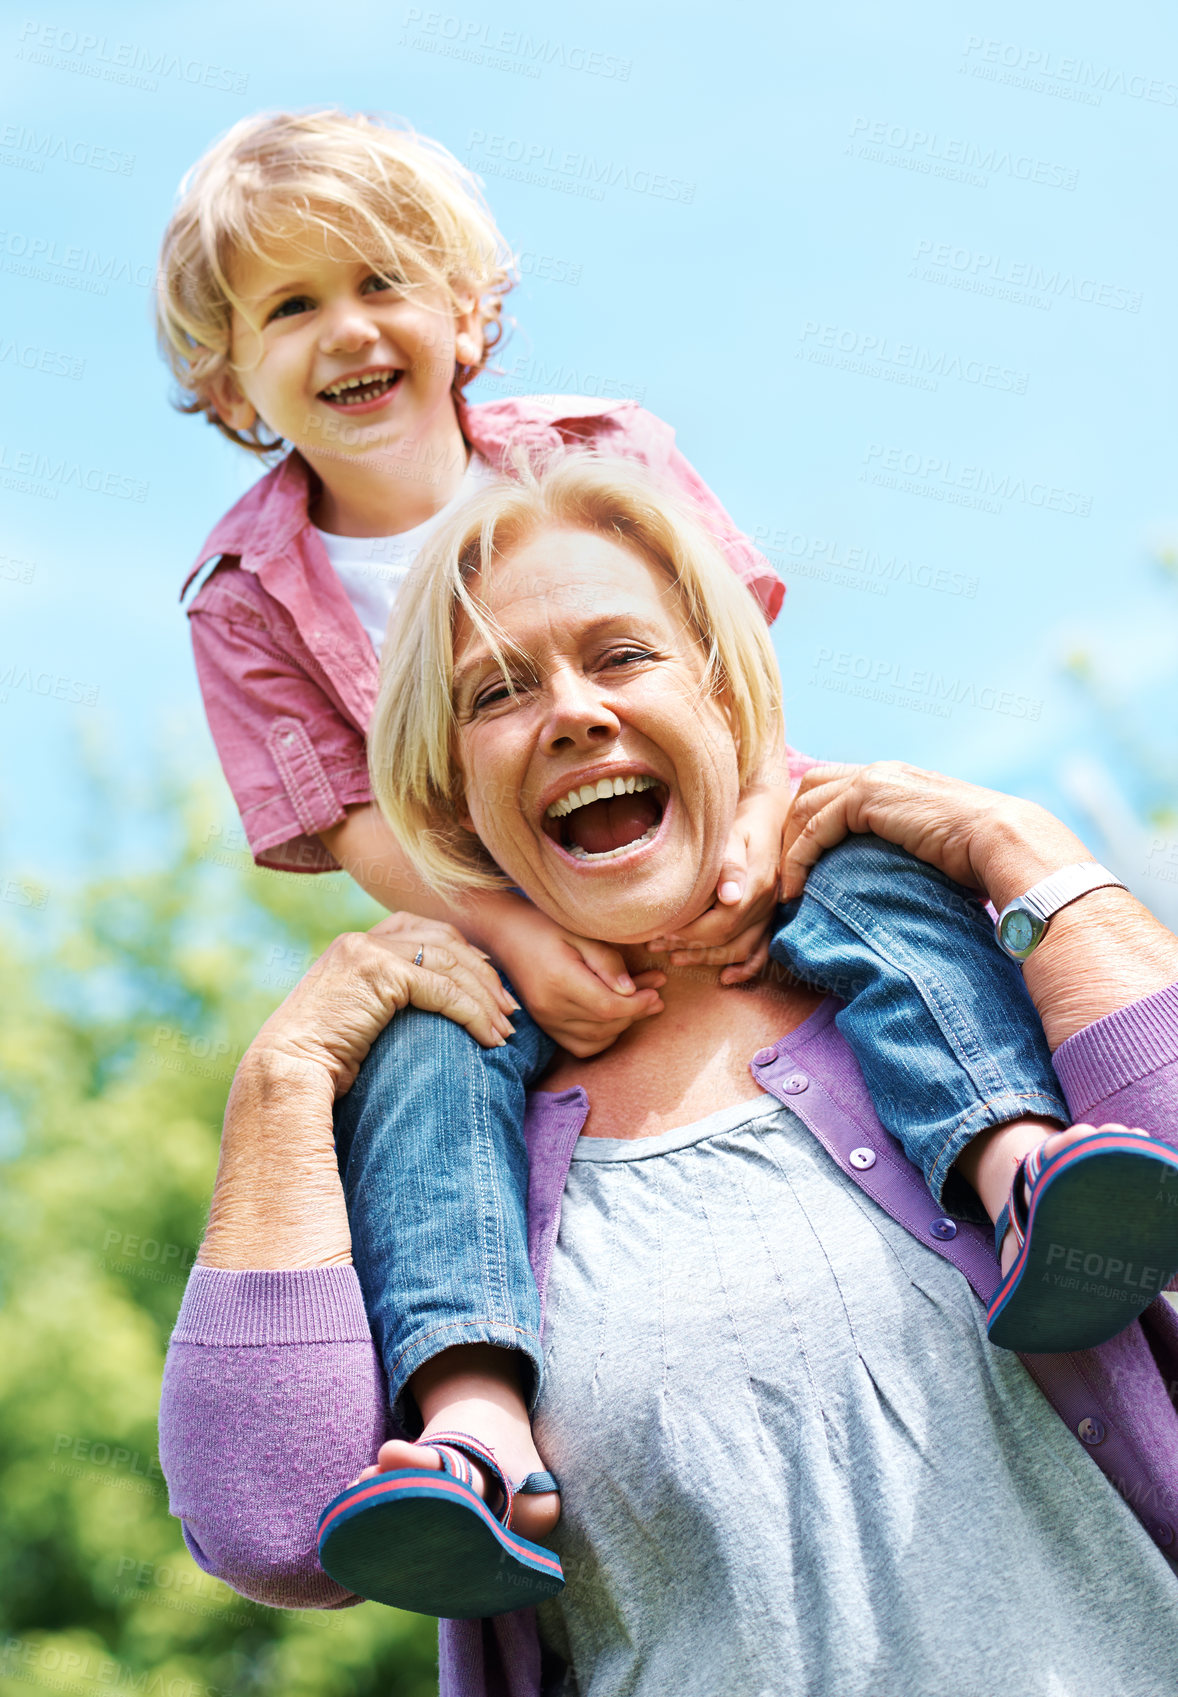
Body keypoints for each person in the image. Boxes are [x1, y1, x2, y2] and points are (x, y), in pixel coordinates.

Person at [156, 112, 1178, 1615]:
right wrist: (509, 936)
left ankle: (1021, 1167)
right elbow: (355, 821)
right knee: (431, 1072)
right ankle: (473, 1423)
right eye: (289, 307)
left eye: (376, 280)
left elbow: (732, 657)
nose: (347, 330)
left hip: (749, 817)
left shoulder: (592, 450)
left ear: (461, 308)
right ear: (227, 373)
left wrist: (768, 821)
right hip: (486, 919)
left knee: (876, 888)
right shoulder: (245, 596)